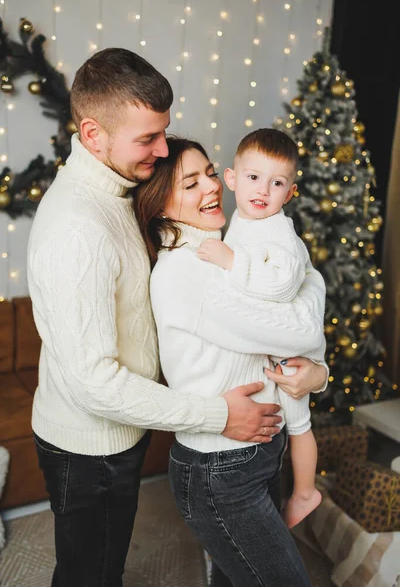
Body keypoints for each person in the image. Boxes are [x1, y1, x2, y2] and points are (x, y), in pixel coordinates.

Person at [27, 48, 286, 587]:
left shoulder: (117, 191)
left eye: (162, 133)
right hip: (89, 444)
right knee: (89, 575)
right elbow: (95, 383)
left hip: (120, 430)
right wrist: (217, 415)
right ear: (93, 133)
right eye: (147, 139)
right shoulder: (79, 228)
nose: (162, 150)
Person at [133, 136, 328, 586]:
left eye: (210, 172)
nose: (212, 186)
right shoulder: (190, 270)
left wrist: (316, 374)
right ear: (162, 201)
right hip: (222, 470)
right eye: (191, 182)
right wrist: (312, 289)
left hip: (257, 452)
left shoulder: (226, 246)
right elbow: (302, 328)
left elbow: (298, 283)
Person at [197, 127, 324, 529]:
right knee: (288, 422)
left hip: (292, 345)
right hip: (272, 340)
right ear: (232, 179)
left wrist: (231, 262)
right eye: (253, 178)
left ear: (289, 193)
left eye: (277, 183)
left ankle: (305, 491)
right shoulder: (242, 220)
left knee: (299, 421)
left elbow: (284, 285)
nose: (263, 190)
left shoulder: (277, 230)